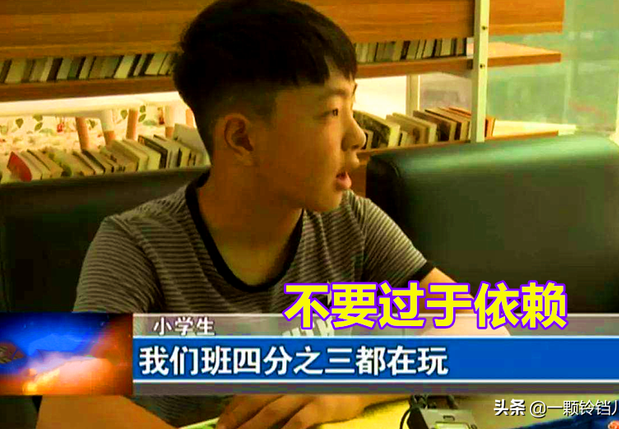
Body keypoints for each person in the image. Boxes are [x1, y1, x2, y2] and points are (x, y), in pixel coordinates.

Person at [37, 0, 506, 428]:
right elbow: (66, 407)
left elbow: (489, 335)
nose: (358, 135)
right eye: (332, 111)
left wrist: (354, 386)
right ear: (242, 139)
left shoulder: (353, 224)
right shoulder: (136, 245)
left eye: (352, 104)